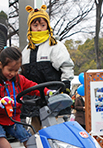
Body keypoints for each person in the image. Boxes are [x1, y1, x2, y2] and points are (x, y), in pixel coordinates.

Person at [0, 46, 51, 148]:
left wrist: (47, 92)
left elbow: (32, 86)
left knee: (25, 135)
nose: (13, 73)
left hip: (12, 118)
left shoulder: (19, 80)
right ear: (0, 65)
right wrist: (0, 101)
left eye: (16, 70)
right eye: (10, 70)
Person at [20, 4, 74, 132]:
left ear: (48, 26)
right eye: (35, 25)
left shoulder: (55, 46)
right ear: (30, 27)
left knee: (57, 132)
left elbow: (66, 67)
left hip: (53, 97)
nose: (39, 29)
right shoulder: (26, 51)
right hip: (33, 101)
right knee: (35, 134)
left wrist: (65, 88)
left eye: (42, 25)